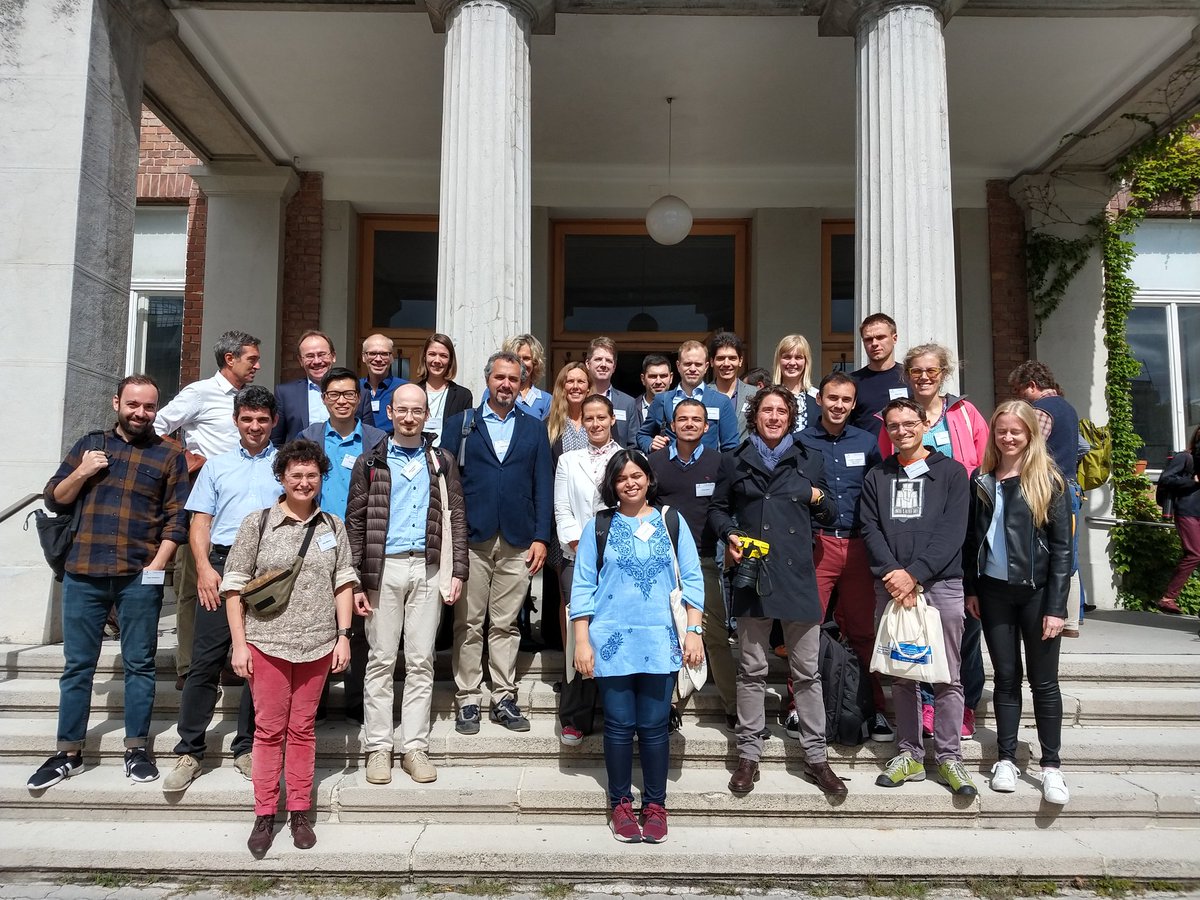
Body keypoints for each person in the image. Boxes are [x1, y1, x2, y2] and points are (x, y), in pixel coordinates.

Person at [28, 375, 188, 790]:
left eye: (149, 407)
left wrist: (157, 568)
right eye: (133, 404)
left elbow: (177, 519)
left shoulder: (169, 454)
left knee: (140, 664)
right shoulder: (90, 444)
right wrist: (82, 471)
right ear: (117, 401)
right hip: (83, 572)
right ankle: (68, 753)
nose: (140, 413)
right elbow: (54, 498)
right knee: (78, 666)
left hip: (138, 576)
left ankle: (136, 748)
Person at [709, 386, 847, 797]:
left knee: (807, 671)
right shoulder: (734, 459)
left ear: (791, 417)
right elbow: (717, 509)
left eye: (780, 411)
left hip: (798, 575)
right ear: (755, 416)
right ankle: (748, 754)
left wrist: (818, 495)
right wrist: (730, 534)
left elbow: (831, 512)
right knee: (751, 669)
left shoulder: (810, 458)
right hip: (753, 572)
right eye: (766, 410)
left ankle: (816, 757)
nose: (773, 417)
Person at [222, 440, 356, 857]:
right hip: (267, 644)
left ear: (321, 479)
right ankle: (264, 814)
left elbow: (343, 582)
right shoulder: (257, 524)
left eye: (311, 475)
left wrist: (344, 636)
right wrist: (239, 646)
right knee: (267, 731)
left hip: (316, 644)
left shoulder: (332, 527)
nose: (303, 482)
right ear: (281, 477)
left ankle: (299, 810)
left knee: (302, 730)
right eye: (295, 475)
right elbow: (233, 587)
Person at [571, 450, 705, 844]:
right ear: (612, 485)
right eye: (621, 478)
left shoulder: (671, 521)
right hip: (611, 638)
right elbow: (582, 588)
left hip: (661, 637)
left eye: (636, 475)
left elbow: (693, 579)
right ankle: (619, 804)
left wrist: (694, 630)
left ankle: (656, 805)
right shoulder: (600, 525)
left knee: (653, 726)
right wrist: (582, 640)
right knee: (617, 725)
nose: (629, 483)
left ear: (649, 478)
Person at [345, 384, 469, 784]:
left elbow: (457, 518)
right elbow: (356, 522)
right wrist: (355, 579)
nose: (410, 417)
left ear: (426, 414)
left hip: (429, 569)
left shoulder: (442, 461)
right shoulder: (370, 462)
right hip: (384, 570)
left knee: (421, 661)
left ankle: (415, 746)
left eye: (417, 410)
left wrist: (458, 571)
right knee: (380, 660)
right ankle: (379, 747)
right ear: (392, 414)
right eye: (403, 410)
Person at [163, 386, 280, 794]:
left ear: (273, 422)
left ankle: (246, 746)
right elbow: (199, 522)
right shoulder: (216, 466)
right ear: (236, 421)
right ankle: (190, 750)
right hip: (221, 567)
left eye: (262, 420)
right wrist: (202, 569)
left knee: (259, 664)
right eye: (247, 419)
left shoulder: (284, 465)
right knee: (204, 661)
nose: (254, 426)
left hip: (267, 574)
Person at [861, 398, 976, 797]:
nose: (902, 431)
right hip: (891, 586)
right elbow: (870, 529)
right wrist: (896, 576)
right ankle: (909, 753)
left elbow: (952, 532)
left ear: (925, 423)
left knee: (947, 674)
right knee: (903, 673)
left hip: (940, 584)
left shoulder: (952, 473)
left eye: (909, 423)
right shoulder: (878, 475)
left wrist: (915, 575)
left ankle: (949, 758)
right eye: (894, 425)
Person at [964, 400, 1072, 805]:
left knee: (1044, 683)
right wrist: (972, 588)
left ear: (1031, 434)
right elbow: (973, 541)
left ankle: (1051, 767)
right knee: (1006, 679)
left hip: (1038, 595)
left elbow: (1062, 549)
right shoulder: (983, 479)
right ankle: (1006, 758)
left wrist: (1057, 608)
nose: (1008, 438)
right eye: (1002, 431)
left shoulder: (1048, 480)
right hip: (993, 593)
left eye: (1016, 432)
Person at [879, 343, 988, 740]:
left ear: (944, 372)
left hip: (960, 520)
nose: (924, 377)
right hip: (909, 532)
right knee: (913, 629)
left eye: (932, 370)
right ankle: (924, 705)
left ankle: (965, 706)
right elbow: (886, 472)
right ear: (907, 374)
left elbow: (984, 461)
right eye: (917, 371)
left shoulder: (964, 412)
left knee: (961, 627)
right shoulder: (898, 417)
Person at [442, 351, 554, 734]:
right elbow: (447, 485)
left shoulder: (534, 427)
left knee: (506, 624)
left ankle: (504, 695)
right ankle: (468, 698)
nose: (506, 384)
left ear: (522, 383)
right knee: (469, 623)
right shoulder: (461, 424)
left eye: (513, 379)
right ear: (486, 379)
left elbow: (544, 485)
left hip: (518, 540)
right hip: (471, 537)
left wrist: (541, 537)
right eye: (499, 377)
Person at [154, 329, 262, 690]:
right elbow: (155, 427)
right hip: (202, 502)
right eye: (252, 359)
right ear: (230, 359)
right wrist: (187, 457)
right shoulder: (200, 393)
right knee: (193, 584)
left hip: (240, 505)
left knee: (237, 585)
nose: (257, 366)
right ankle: (188, 665)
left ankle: (231, 659)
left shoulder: (248, 400)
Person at [796, 372, 890, 741]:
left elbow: (877, 496)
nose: (838, 406)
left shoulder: (867, 442)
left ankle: (874, 707)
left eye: (846, 400)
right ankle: (797, 708)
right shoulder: (800, 442)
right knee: (805, 628)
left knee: (864, 631)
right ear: (819, 399)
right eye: (832, 398)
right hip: (817, 545)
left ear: (853, 404)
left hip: (856, 546)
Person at [300, 367, 387, 724]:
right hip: (317, 538)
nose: (342, 400)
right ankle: (315, 702)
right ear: (324, 399)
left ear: (360, 398)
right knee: (318, 621)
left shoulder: (377, 438)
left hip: (363, 539)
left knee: (361, 622)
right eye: (334, 394)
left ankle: (356, 702)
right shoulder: (309, 436)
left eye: (349, 394)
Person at [649, 399, 736, 728]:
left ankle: (734, 707)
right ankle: (668, 705)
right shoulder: (654, 462)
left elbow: (727, 508)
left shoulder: (720, 462)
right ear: (672, 425)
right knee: (666, 635)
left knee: (713, 634)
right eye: (682, 419)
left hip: (702, 560)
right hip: (661, 564)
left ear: (706, 426)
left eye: (695, 419)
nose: (688, 424)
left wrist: (730, 540)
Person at [553, 394, 622, 743]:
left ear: (612, 419)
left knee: (612, 634)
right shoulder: (568, 460)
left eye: (601, 418)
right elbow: (562, 511)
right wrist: (583, 549)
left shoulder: (626, 459)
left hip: (619, 562)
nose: (595, 424)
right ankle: (576, 716)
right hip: (576, 559)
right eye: (590, 418)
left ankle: (616, 714)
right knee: (579, 635)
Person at [1008, 360, 1084, 636]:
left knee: (1048, 549)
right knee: (1068, 552)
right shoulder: (1068, 408)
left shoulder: (1040, 411)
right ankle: (1072, 621)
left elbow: (1028, 449)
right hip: (1071, 485)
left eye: (1020, 391)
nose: (1019, 398)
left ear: (1032, 385)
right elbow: (1083, 448)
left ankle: (1058, 616)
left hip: (1047, 488)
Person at [638, 340, 737, 453]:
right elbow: (643, 435)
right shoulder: (662, 400)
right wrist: (651, 444)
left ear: (706, 367)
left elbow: (731, 446)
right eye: (688, 364)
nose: (693, 369)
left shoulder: (721, 402)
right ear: (678, 366)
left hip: (708, 468)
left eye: (698, 364)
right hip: (670, 468)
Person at [1156, 425, 1200, 615]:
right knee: (1194, 553)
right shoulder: (1185, 457)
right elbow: (1166, 479)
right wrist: (1193, 481)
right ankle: (1168, 598)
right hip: (1187, 511)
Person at [271, 330, 338, 446]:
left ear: (333, 356)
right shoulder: (285, 393)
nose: (317, 361)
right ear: (301, 361)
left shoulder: (357, 392)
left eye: (322, 354)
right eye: (310, 356)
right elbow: (276, 442)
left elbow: (368, 439)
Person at [850, 313, 909, 436]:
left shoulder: (910, 377)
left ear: (894, 338)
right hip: (866, 452)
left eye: (880, 337)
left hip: (903, 451)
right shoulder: (852, 382)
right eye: (868, 339)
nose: (874, 343)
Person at [415, 333, 474, 446]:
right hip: (416, 456)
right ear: (424, 357)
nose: (437, 360)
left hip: (449, 459)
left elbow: (465, 435)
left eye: (443, 356)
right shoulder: (413, 392)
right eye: (432, 354)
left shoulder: (463, 396)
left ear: (450, 360)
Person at [585, 337, 639, 447]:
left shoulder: (627, 403)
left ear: (614, 367)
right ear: (588, 363)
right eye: (598, 359)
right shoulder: (578, 399)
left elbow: (633, 445)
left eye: (608, 361)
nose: (603, 364)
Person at [709, 331, 757, 443]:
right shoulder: (702, 395)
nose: (726, 363)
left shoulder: (756, 395)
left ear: (740, 361)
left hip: (745, 458)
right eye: (721, 358)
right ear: (712, 362)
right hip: (713, 458)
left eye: (732, 358)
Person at [355, 334, 407, 434]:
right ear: (364, 357)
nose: (378, 359)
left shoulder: (404, 389)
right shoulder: (355, 388)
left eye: (384, 354)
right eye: (372, 353)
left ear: (392, 357)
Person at [772, 334, 821, 433]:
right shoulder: (768, 396)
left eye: (798, 357)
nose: (792, 363)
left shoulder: (817, 397)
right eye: (787, 357)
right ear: (779, 361)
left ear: (806, 362)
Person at [546, 361, 594, 454]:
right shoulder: (549, 425)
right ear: (563, 388)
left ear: (588, 387)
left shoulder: (599, 423)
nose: (575, 386)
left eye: (581, 382)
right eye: (570, 381)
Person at [503, 333, 551, 420]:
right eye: (516, 358)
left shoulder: (546, 400)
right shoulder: (495, 392)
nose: (521, 363)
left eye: (526, 358)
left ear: (535, 363)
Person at [632, 353, 673, 434]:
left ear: (671, 378)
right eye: (653, 376)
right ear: (643, 379)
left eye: (663, 376)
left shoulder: (679, 406)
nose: (658, 381)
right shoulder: (631, 406)